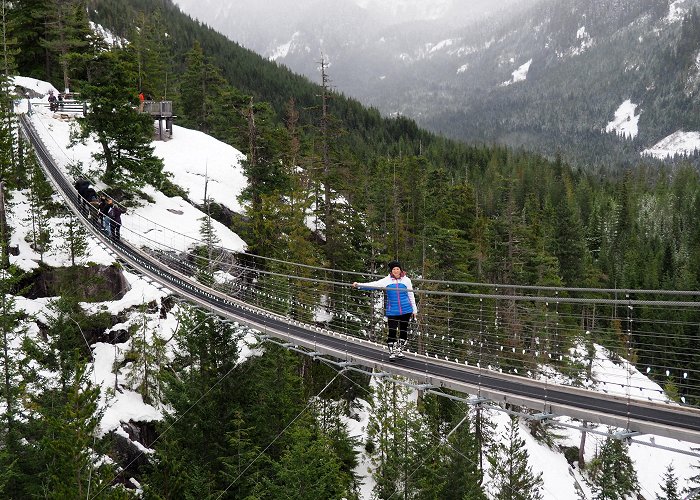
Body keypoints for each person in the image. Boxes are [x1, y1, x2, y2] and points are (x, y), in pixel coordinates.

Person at [353, 260, 418, 359]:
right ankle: (392, 352)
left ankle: (399, 350)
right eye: (394, 269)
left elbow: (411, 294)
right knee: (392, 330)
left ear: (400, 270)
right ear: (391, 271)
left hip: (406, 309)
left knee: (403, 330)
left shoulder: (406, 280)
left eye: (397, 269)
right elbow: (374, 285)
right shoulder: (386, 280)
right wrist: (359, 285)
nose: (396, 271)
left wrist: (414, 310)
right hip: (392, 310)